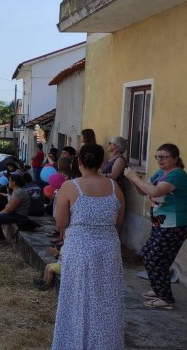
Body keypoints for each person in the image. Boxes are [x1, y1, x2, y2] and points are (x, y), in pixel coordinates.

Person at [52, 143, 125, 350]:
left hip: (80, 250)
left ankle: (75, 343)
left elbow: (61, 222)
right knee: (107, 302)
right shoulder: (114, 187)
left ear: (79, 161)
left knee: (78, 300)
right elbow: (119, 221)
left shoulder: (70, 186)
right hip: (109, 249)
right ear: (102, 162)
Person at [124, 143, 187, 311]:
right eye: (157, 157)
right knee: (150, 254)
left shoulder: (177, 175)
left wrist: (134, 178)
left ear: (175, 158)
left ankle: (166, 299)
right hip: (161, 224)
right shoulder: (161, 173)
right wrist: (134, 181)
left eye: (164, 157)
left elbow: (155, 192)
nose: (160, 160)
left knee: (154, 258)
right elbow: (144, 191)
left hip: (174, 225)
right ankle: (158, 289)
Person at [0, 173, 30, 243]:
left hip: (19, 215)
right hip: (16, 214)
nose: (8, 182)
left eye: (10, 180)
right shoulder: (16, 191)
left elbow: (10, 209)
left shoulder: (19, 192)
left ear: (14, 182)